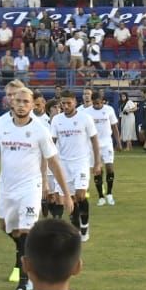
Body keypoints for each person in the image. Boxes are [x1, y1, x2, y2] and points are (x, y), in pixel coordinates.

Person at [0, 81, 73, 290]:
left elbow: (54, 162)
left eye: (26, 101)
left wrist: (66, 193)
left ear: (33, 105)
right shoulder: (1, 125)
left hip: (30, 188)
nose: (21, 105)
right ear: (12, 102)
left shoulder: (40, 130)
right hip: (7, 188)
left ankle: (23, 284)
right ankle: (35, 252)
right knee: (7, 228)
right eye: (18, 100)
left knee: (24, 232)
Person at [49, 89, 100, 241]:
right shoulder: (57, 120)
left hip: (81, 162)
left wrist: (97, 162)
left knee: (80, 195)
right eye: (63, 103)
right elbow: (52, 143)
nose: (65, 106)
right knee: (68, 199)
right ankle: (76, 228)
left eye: (68, 103)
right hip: (63, 163)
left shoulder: (85, 118)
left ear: (75, 102)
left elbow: (94, 140)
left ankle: (85, 225)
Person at [85, 88, 120, 206]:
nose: (97, 105)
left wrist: (118, 142)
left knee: (110, 167)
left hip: (107, 143)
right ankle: (101, 196)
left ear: (103, 101)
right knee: (97, 170)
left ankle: (109, 193)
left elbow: (114, 127)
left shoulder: (109, 110)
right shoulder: (87, 112)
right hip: (92, 145)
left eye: (99, 103)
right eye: (94, 103)